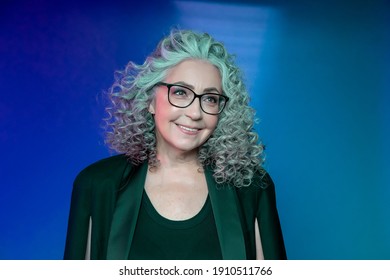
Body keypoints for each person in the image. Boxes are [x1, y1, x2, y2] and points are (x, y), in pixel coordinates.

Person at [64, 29, 287, 260]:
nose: (194, 113)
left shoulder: (252, 188)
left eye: (210, 99)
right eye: (180, 92)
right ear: (150, 100)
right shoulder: (97, 184)